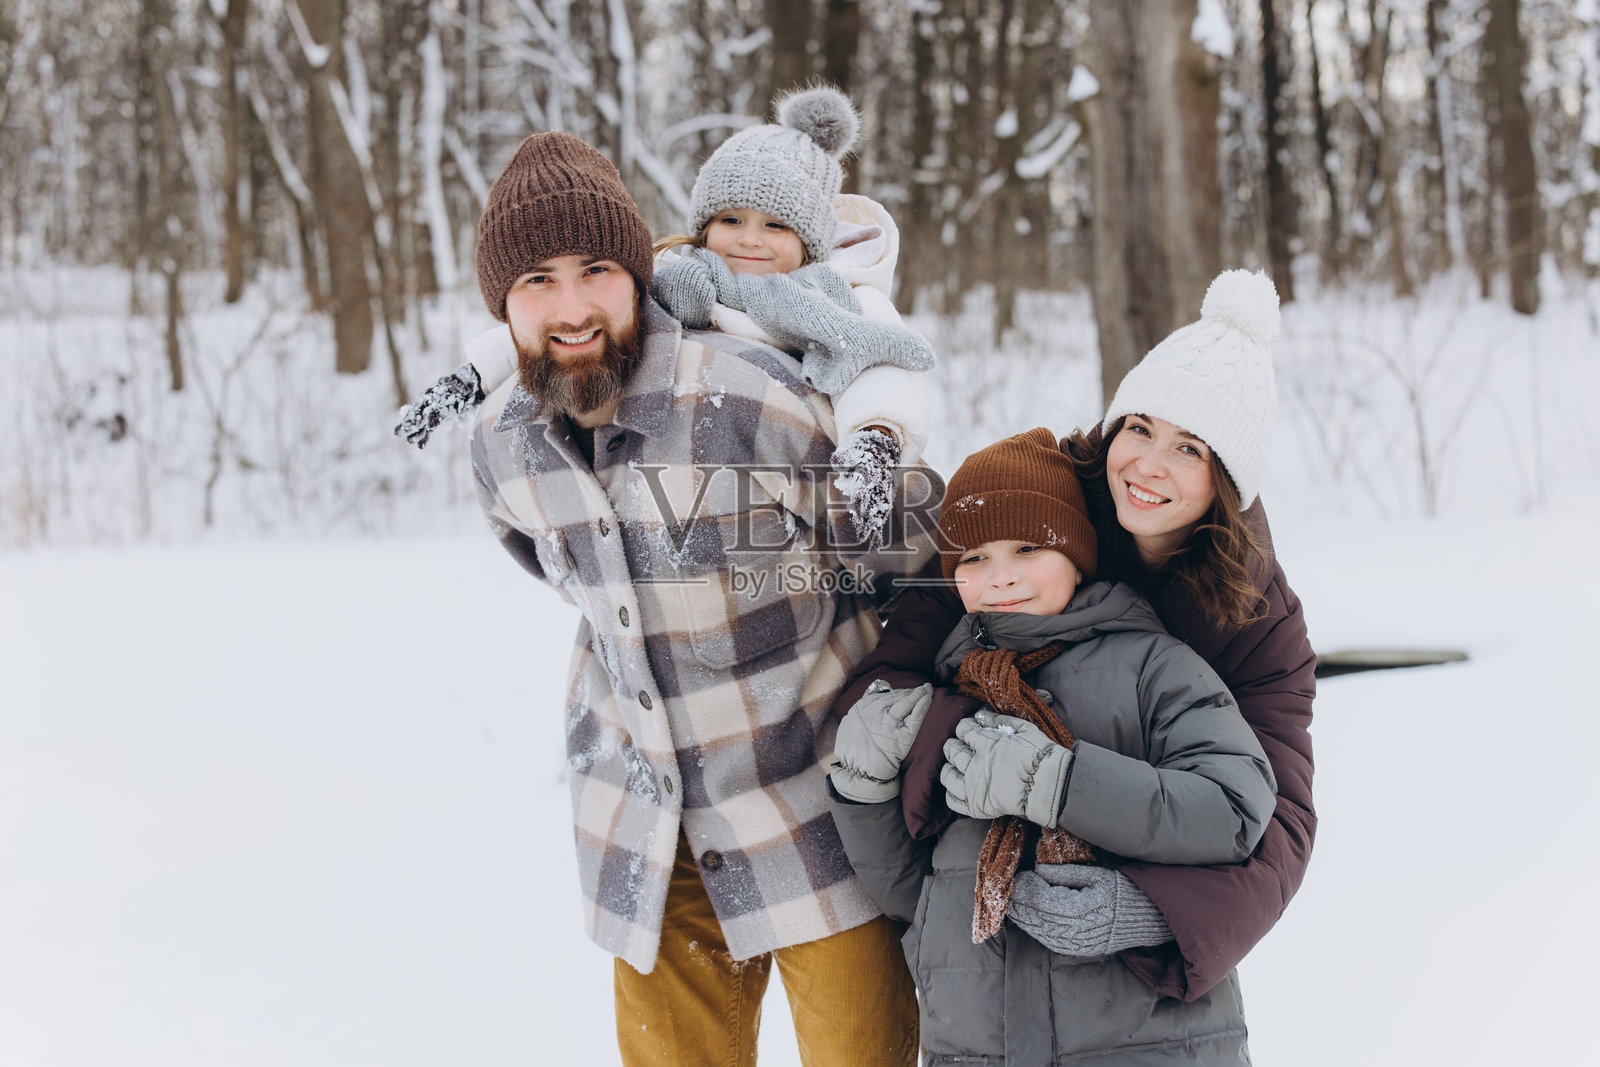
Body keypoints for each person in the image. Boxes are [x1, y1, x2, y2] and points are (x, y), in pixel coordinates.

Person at [463, 130, 941, 1065]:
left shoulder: (750, 398)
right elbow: (557, 568)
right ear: (501, 303)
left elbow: (921, 558)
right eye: (536, 282)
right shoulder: (501, 446)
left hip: (819, 819)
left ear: (639, 274)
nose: (571, 309)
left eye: (596, 271)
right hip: (650, 841)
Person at [831, 270, 1317, 1056]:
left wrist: (1153, 907)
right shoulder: (1041, 499)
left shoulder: (1253, 621)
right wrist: (968, 732)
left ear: (1227, 479)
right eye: (1139, 428)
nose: (1148, 464)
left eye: (1189, 447)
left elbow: (1267, 817)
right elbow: (896, 681)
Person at [400, 86, 934, 546]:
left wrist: (875, 437)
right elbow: (579, 323)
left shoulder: (841, 299)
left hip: (806, 448)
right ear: (704, 224)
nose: (749, 239)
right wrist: (472, 377)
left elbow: (881, 371)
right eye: (731, 220)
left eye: (776, 226)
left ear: (810, 237)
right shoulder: (684, 276)